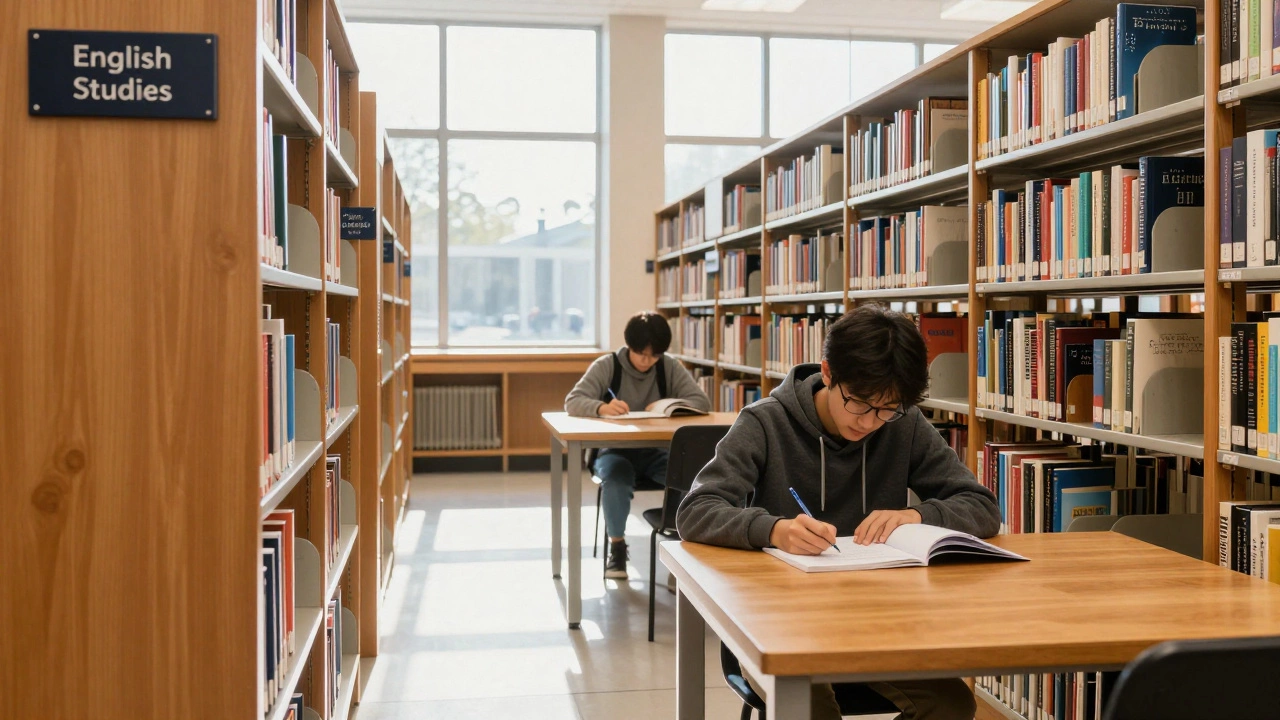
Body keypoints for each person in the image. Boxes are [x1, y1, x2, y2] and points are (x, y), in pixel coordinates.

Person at [676, 304, 999, 720]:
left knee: (952, 705)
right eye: (860, 404)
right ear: (828, 373)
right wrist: (774, 530)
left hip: (877, 622)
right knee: (808, 705)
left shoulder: (905, 424)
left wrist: (918, 516)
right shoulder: (764, 423)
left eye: (887, 409)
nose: (870, 422)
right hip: (776, 623)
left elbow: (982, 506)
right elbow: (696, 511)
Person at [565, 311, 711, 579]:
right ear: (629, 346)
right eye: (641, 354)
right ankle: (617, 549)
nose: (647, 361)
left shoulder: (668, 367)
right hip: (614, 450)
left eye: (654, 355)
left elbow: (702, 402)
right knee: (616, 478)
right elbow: (573, 401)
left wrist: (668, 406)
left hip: (657, 452)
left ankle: (681, 550)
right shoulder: (607, 365)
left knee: (690, 476)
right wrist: (601, 407)